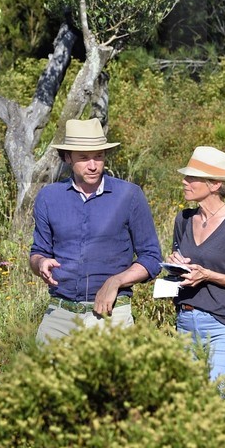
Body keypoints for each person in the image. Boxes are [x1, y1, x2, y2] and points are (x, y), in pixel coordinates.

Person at [30, 118, 163, 345]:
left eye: (98, 156)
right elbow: (37, 252)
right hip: (59, 315)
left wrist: (116, 281)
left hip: (111, 315)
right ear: (67, 157)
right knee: (42, 380)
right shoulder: (48, 197)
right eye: (83, 158)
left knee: (110, 382)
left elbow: (151, 258)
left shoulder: (129, 195)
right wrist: (40, 263)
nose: (93, 165)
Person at [166, 146, 225, 381]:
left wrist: (209, 275)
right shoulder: (184, 219)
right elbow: (182, 268)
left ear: (215, 184)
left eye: (192, 177)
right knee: (187, 402)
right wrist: (174, 264)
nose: (184, 181)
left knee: (217, 400)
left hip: (223, 326)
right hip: (185, 322)